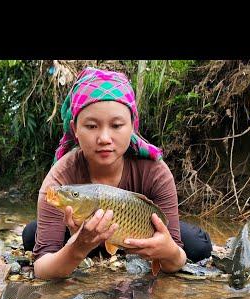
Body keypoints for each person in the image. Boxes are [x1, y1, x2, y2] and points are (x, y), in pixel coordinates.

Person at [22, 67, 212, 280]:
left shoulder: (156, 171)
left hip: (137, 232)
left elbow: (175, 261)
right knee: (31, 235)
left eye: (117, 125)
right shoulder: (60, 178)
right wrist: (77, 248)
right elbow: (42, 271)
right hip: (80, 237)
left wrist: (168, 252)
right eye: (92, 126)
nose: (104, 137)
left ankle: (117, 248)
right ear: (75, 129)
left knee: (197, 245)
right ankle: (91, 247)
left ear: (133, 125)